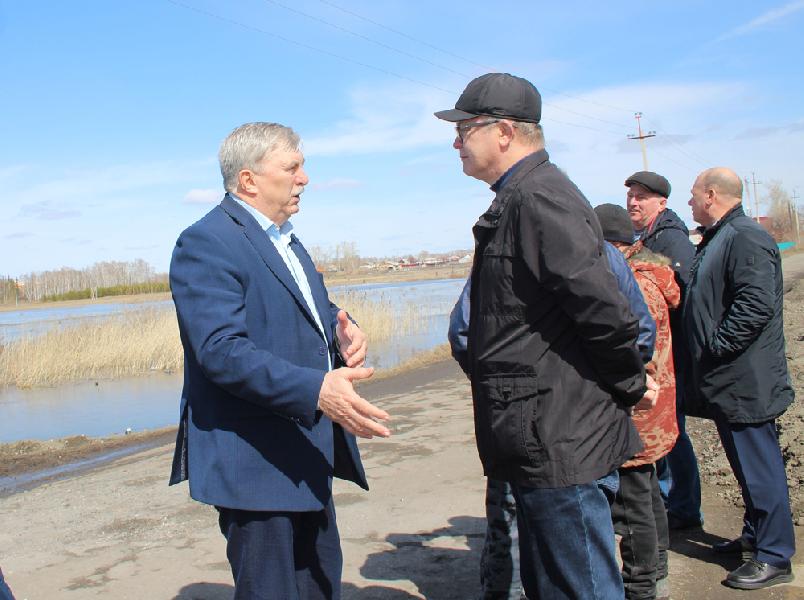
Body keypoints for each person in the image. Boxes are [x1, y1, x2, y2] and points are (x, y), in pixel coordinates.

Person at [435, 72, 658, 600]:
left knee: (580, 585)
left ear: (505, 131)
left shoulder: (540, 198)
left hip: (562, 440)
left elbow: (605, 311)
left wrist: (628, 381)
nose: (456, 141)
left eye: (465, 128)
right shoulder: (519, 196)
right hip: (541, 436)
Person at [168, 122, 391, 599]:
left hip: (305, 450)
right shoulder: (205, 242)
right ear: (249, 180)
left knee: (319, 580)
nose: (304, 178)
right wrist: (316, 389)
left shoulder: (285, 239)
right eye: (292, 168)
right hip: (255, 462)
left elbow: (300, 304)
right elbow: (221, 350)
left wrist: (339, 324)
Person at [449, 245, 655, 600]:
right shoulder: (603, 253)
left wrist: (504, 392)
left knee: (548, 546)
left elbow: (464, 334)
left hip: (526, 424)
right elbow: (639, 334)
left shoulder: (501, 254)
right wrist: (614, 387)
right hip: (587, 427)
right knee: (582, 554)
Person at [683, 167, 796, 590]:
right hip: (729, 379)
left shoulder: (745, 236)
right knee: (746, 468)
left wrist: (716, 347)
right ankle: (755, 538)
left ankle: (775, 556)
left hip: (746, 378)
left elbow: (755, 303)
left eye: (694, 195)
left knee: (760, 468)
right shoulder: (721, 237)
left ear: (712, 195)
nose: (690, 202)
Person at [595, 204, 681, 600]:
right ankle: (657, 567)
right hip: (657, 403)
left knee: (633, 504)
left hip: (639, 407)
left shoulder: (627, 281)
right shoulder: (652, 276)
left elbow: (631, 348)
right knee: (646, 493)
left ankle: (641, 584)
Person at [625, 171, 703, 531]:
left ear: (661, 202)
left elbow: (687, 294)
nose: (634, 202)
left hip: (673, 356)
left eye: (642, 196)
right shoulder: (650, 235)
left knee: (672, 433)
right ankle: (676, 503)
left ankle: (683, 507)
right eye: (631, 196)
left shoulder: (669, 238)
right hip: (667, 356)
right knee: (668, 432)